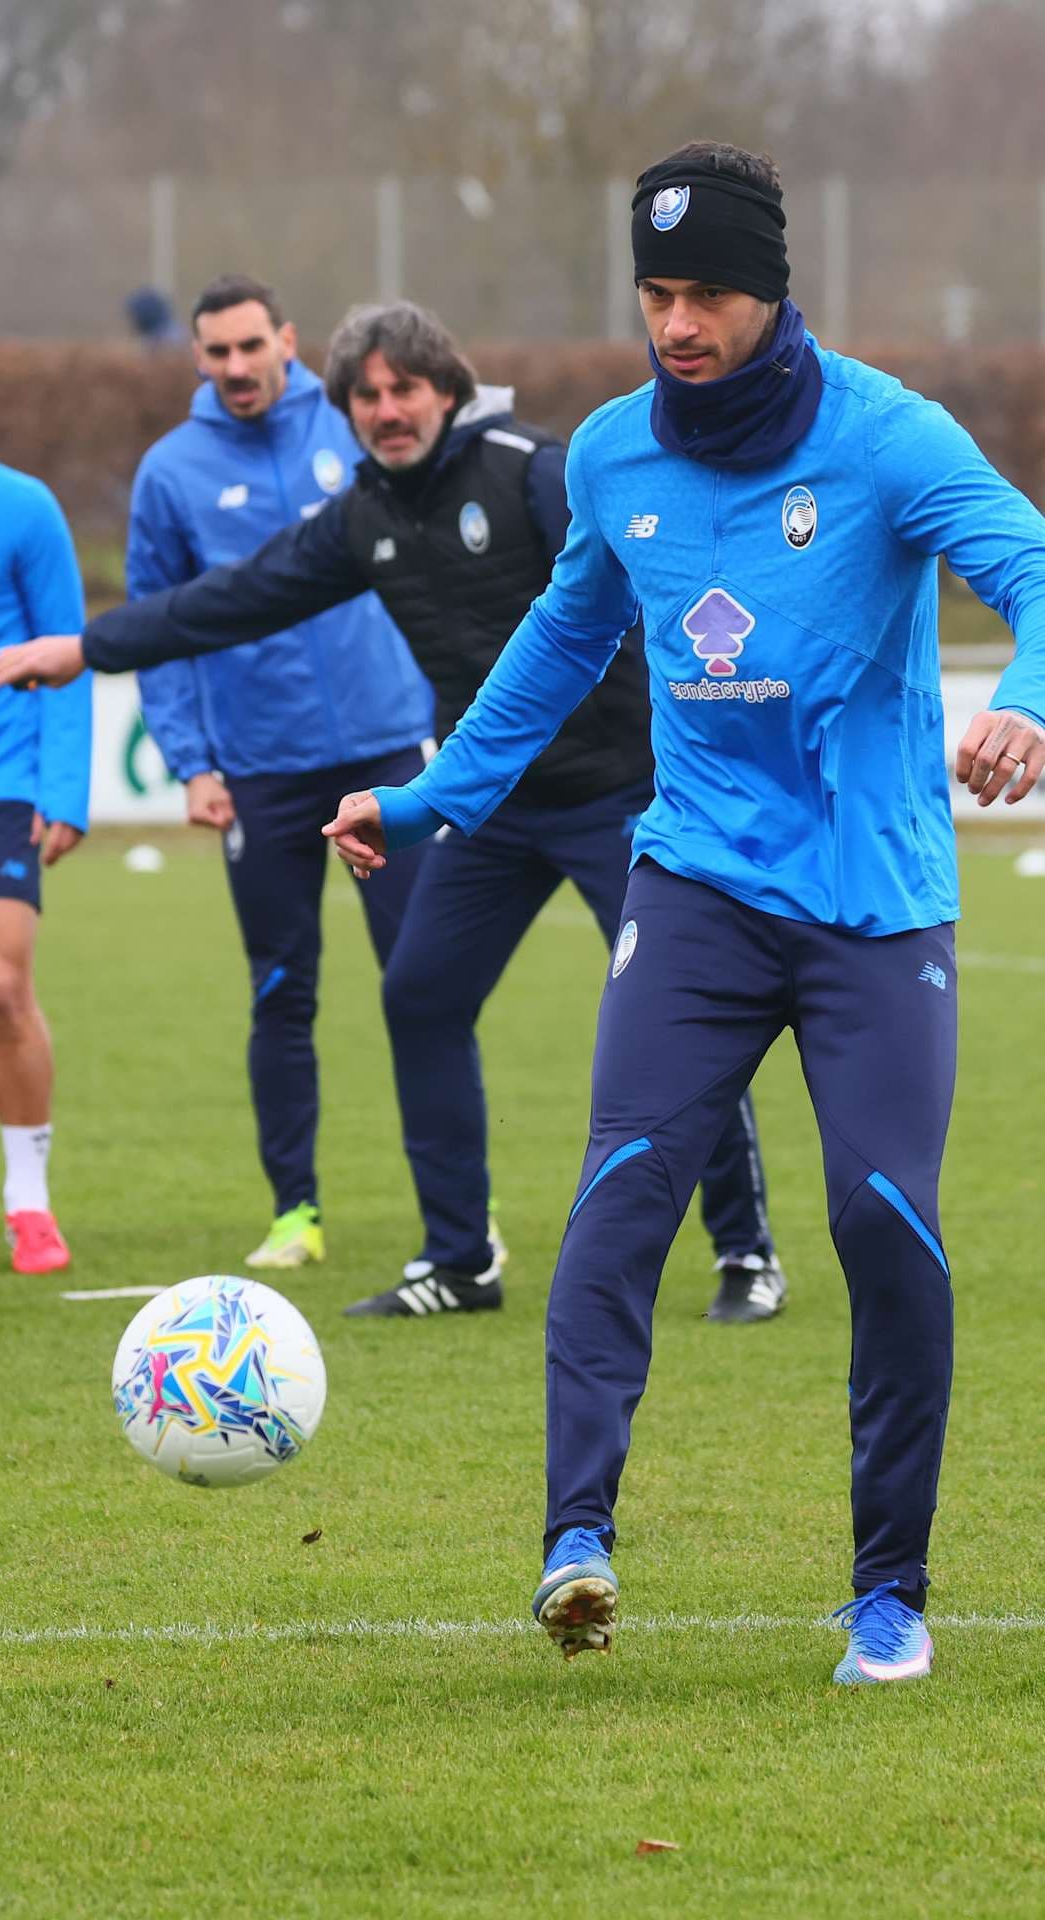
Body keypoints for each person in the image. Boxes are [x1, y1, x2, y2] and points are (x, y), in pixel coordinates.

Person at [306, 145, 1045, 1685]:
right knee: (623, 1192)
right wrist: (429, 797)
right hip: (697, 882)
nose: (679, 322)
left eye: (707, 291)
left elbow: (1037, 572)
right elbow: (560, 640)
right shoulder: (612, 458)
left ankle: (891, 1593)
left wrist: (1027, 705)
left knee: (881, 1222)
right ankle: (578, 1542)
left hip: (873, 901)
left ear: (774, 290)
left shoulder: (892, 439)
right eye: (656, 292)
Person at [0, 300, 789, 1326]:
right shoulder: (365, 514)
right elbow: (232, 598)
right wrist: (87, 650)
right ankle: (460, 1261)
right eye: (366, 395)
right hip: (485, 805)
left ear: (445, 389)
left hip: (622, 795)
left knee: (676, 1013)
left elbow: (660, 585)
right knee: (419, 997)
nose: (386, 409)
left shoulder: (529, 467)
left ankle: (745, 1252)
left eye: (405, 388)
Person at [127, 273, 436, 1270]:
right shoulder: (170, 473)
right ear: (199, 361)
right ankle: (294, 1213)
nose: (235, 367)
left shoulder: (354, 429)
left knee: (424, 983)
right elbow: (158, 626)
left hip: (390, 750)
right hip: (259, 770)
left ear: (287, 341)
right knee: (279, 991)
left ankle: (455, 1222)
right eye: (215, 354)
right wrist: (192, 762)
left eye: (250, 347)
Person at [0, 442, 91, 1272]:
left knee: (0, 984)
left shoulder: (19, 503)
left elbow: (70, 649)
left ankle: (28, 1203)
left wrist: (67, 788)